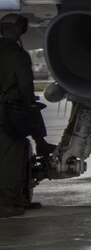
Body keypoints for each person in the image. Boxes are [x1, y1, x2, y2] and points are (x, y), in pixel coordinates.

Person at [0, 13, 54, 218]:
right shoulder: (17, 55)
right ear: (18, 31)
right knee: (11, 157)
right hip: (7, 112)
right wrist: (29, 106)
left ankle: (16, 199)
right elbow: (24, 86)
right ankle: (6, 201)